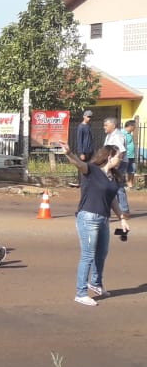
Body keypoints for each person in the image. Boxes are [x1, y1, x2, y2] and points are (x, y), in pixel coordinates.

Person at [59, 142, 130, 307]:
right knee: (88, 256)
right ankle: (81, 292)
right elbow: (78, 163)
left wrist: (122, 218)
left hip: (103, 219)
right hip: (88, 217)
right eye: (119, 156)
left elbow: (112, 198)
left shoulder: (112, 176)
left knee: (102, 253)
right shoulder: (92, 170)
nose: (121, 159)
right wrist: (69, 153)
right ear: (110, 156)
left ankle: (96, 284)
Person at [103, 117, 131, 216]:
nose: (104, 127)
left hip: (119, 163)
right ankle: (115, 209)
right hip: (111, 163)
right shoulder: (109, 135)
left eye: (106, 125)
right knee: (110, 185)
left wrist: (116, 164)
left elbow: (121, 151)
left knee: (118, 186)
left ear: (113, 125)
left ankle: (124, 210)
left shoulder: (118, 135)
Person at [124, 120, 137, 189]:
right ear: (130, 126)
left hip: (131, 156)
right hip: (125, 156)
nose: (135, 128)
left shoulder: (129, 134)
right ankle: (125, 184)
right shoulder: (122, 133)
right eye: (134, 126)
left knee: (132, 170)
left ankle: (130, 184)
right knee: (124, 170)